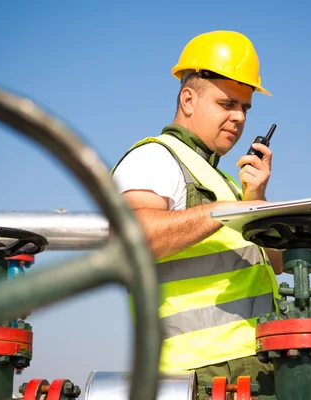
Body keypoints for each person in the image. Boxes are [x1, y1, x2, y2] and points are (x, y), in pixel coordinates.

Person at [111, 30, 284, 398]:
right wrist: (224, 210)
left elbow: (278, 263)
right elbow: (127, 244)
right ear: (188, 99)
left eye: (245, 108)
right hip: (197, 377)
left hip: (249, 367)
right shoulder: (155, 157)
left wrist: (256, 199)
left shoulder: (224, 180)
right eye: (227, 104)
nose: (238, 117)